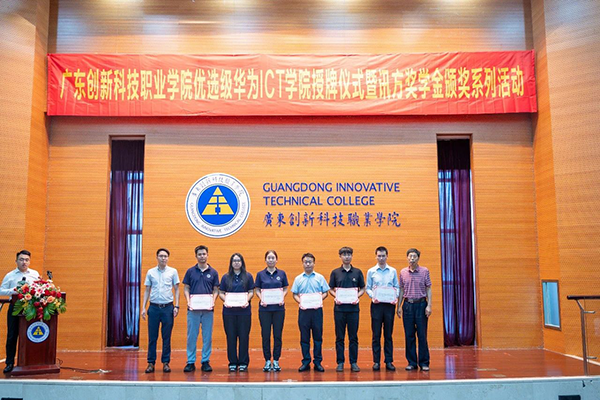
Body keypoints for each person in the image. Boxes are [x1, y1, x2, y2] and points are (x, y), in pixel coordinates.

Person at [0, 250, 41, 374]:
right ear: (16, 261)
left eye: (26, 260)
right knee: (12, 335)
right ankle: (10, 363)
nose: (24, 262)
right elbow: (1, 290)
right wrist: (14, 291)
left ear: (29, 261)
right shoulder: (10, 275)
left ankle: (30, 362)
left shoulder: (34, 274)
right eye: (21, 259)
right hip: (15, 307)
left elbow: (39, 288)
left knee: (30, 335)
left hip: (30, 308)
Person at [141, 248, 180, 373]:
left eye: (165, 256)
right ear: (157, 257)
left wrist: (177, 306)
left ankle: (166, 362)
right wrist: (143, 307)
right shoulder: (150, 272)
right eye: (161, 256)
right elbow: (147, 290)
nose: (163, 258)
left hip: (168, 308)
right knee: (152, 337)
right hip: (153, 308)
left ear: (168, 258)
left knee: (166, 337)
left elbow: (177, 289)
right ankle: (150, 363)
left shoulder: (173, 272)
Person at [183, 245, 219, 372]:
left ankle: (205, 361)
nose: (202, 256)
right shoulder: (190, 272)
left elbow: (216, 290)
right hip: (193, 310)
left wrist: (213, 301)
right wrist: (188, 301)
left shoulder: (213, 272)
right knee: (191, 336)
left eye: (204, 254)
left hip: (208, 310)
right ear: (196, 256)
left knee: (207, 336)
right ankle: (190, 361)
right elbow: (186, 288)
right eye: (199, 254)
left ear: (207, 255)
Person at [329, 246, 365, 372]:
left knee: (353, 337)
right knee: (339, 337)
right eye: (344, 254)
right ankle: (340, 362)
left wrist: (357, 296)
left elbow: (362, 288)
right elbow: (330, 289)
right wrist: (336, 296)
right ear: (340, 256)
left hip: (353, 309)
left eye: (349, 254)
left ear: (352, 256)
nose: (347, 257)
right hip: (339, 309)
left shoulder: (357, 272)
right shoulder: (335, 272)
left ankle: (353, 362)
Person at [291, 253, 329, 372]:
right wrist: (301, 302)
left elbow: (326, 292)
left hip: (317, 311)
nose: (308, 264)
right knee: (304, 338)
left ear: (314, 263)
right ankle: (306, 361)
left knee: (318, 338)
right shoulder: (298, 279)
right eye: (305, 262)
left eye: (310, 262)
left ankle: (318, 362)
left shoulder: (320, 278)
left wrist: (318, 300)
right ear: (302, 264)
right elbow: (294, 294)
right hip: (304, 312)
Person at [397, 248, 432, 371]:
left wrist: (429, 305)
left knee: (422, 335)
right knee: (409, 335)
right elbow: (401, 290)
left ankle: (424, 362)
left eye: (414, 256)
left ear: (418, 258)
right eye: (410, 256)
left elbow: (428, 288)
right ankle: (411, 362)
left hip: (421, 305)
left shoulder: (424, 271)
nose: (412, 259)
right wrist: (399, 306)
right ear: (407, 258)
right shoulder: (403, 272)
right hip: (407, 305)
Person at [218, 253, 254, 372]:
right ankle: (232, 362)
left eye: (238, 260)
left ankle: (243, 362)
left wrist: (246, 300)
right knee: (231, 337)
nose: (236, 262)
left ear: (242, 262)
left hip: (244, 312)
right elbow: (221, 292)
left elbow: (251, 291)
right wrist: (226, 301)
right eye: (234, 261)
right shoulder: (226, 277)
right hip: (229, 312)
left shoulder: (248, 276)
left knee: (244, 337)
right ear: (231, 263)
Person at [366, 246, 399, 371]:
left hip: (389, 305)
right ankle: (376, 361)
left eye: (383, 256)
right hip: (376, 305)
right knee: (376, 334)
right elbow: (368, 288)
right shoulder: (371, 271)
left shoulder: (393, 271)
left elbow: (397, 287)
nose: (381, 258)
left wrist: (395, 297)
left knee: (388, 334)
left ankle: (389, 361)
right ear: (376, 256)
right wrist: (373, 296)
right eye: (379, 256)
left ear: (387, 256)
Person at [254, 250, 289, 372]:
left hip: (278, 309)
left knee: (277, 335)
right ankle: (267, 360)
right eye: (268, 258)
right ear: (265, 260)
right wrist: (261, 299)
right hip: (264, 309)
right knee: (266, 335)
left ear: (276, 260)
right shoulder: (260, 274)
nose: (271, 260)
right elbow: (257, 289)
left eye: (273, 257)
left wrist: (282, 297)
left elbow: (285, 288)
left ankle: (277, 360)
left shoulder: (282, 273)